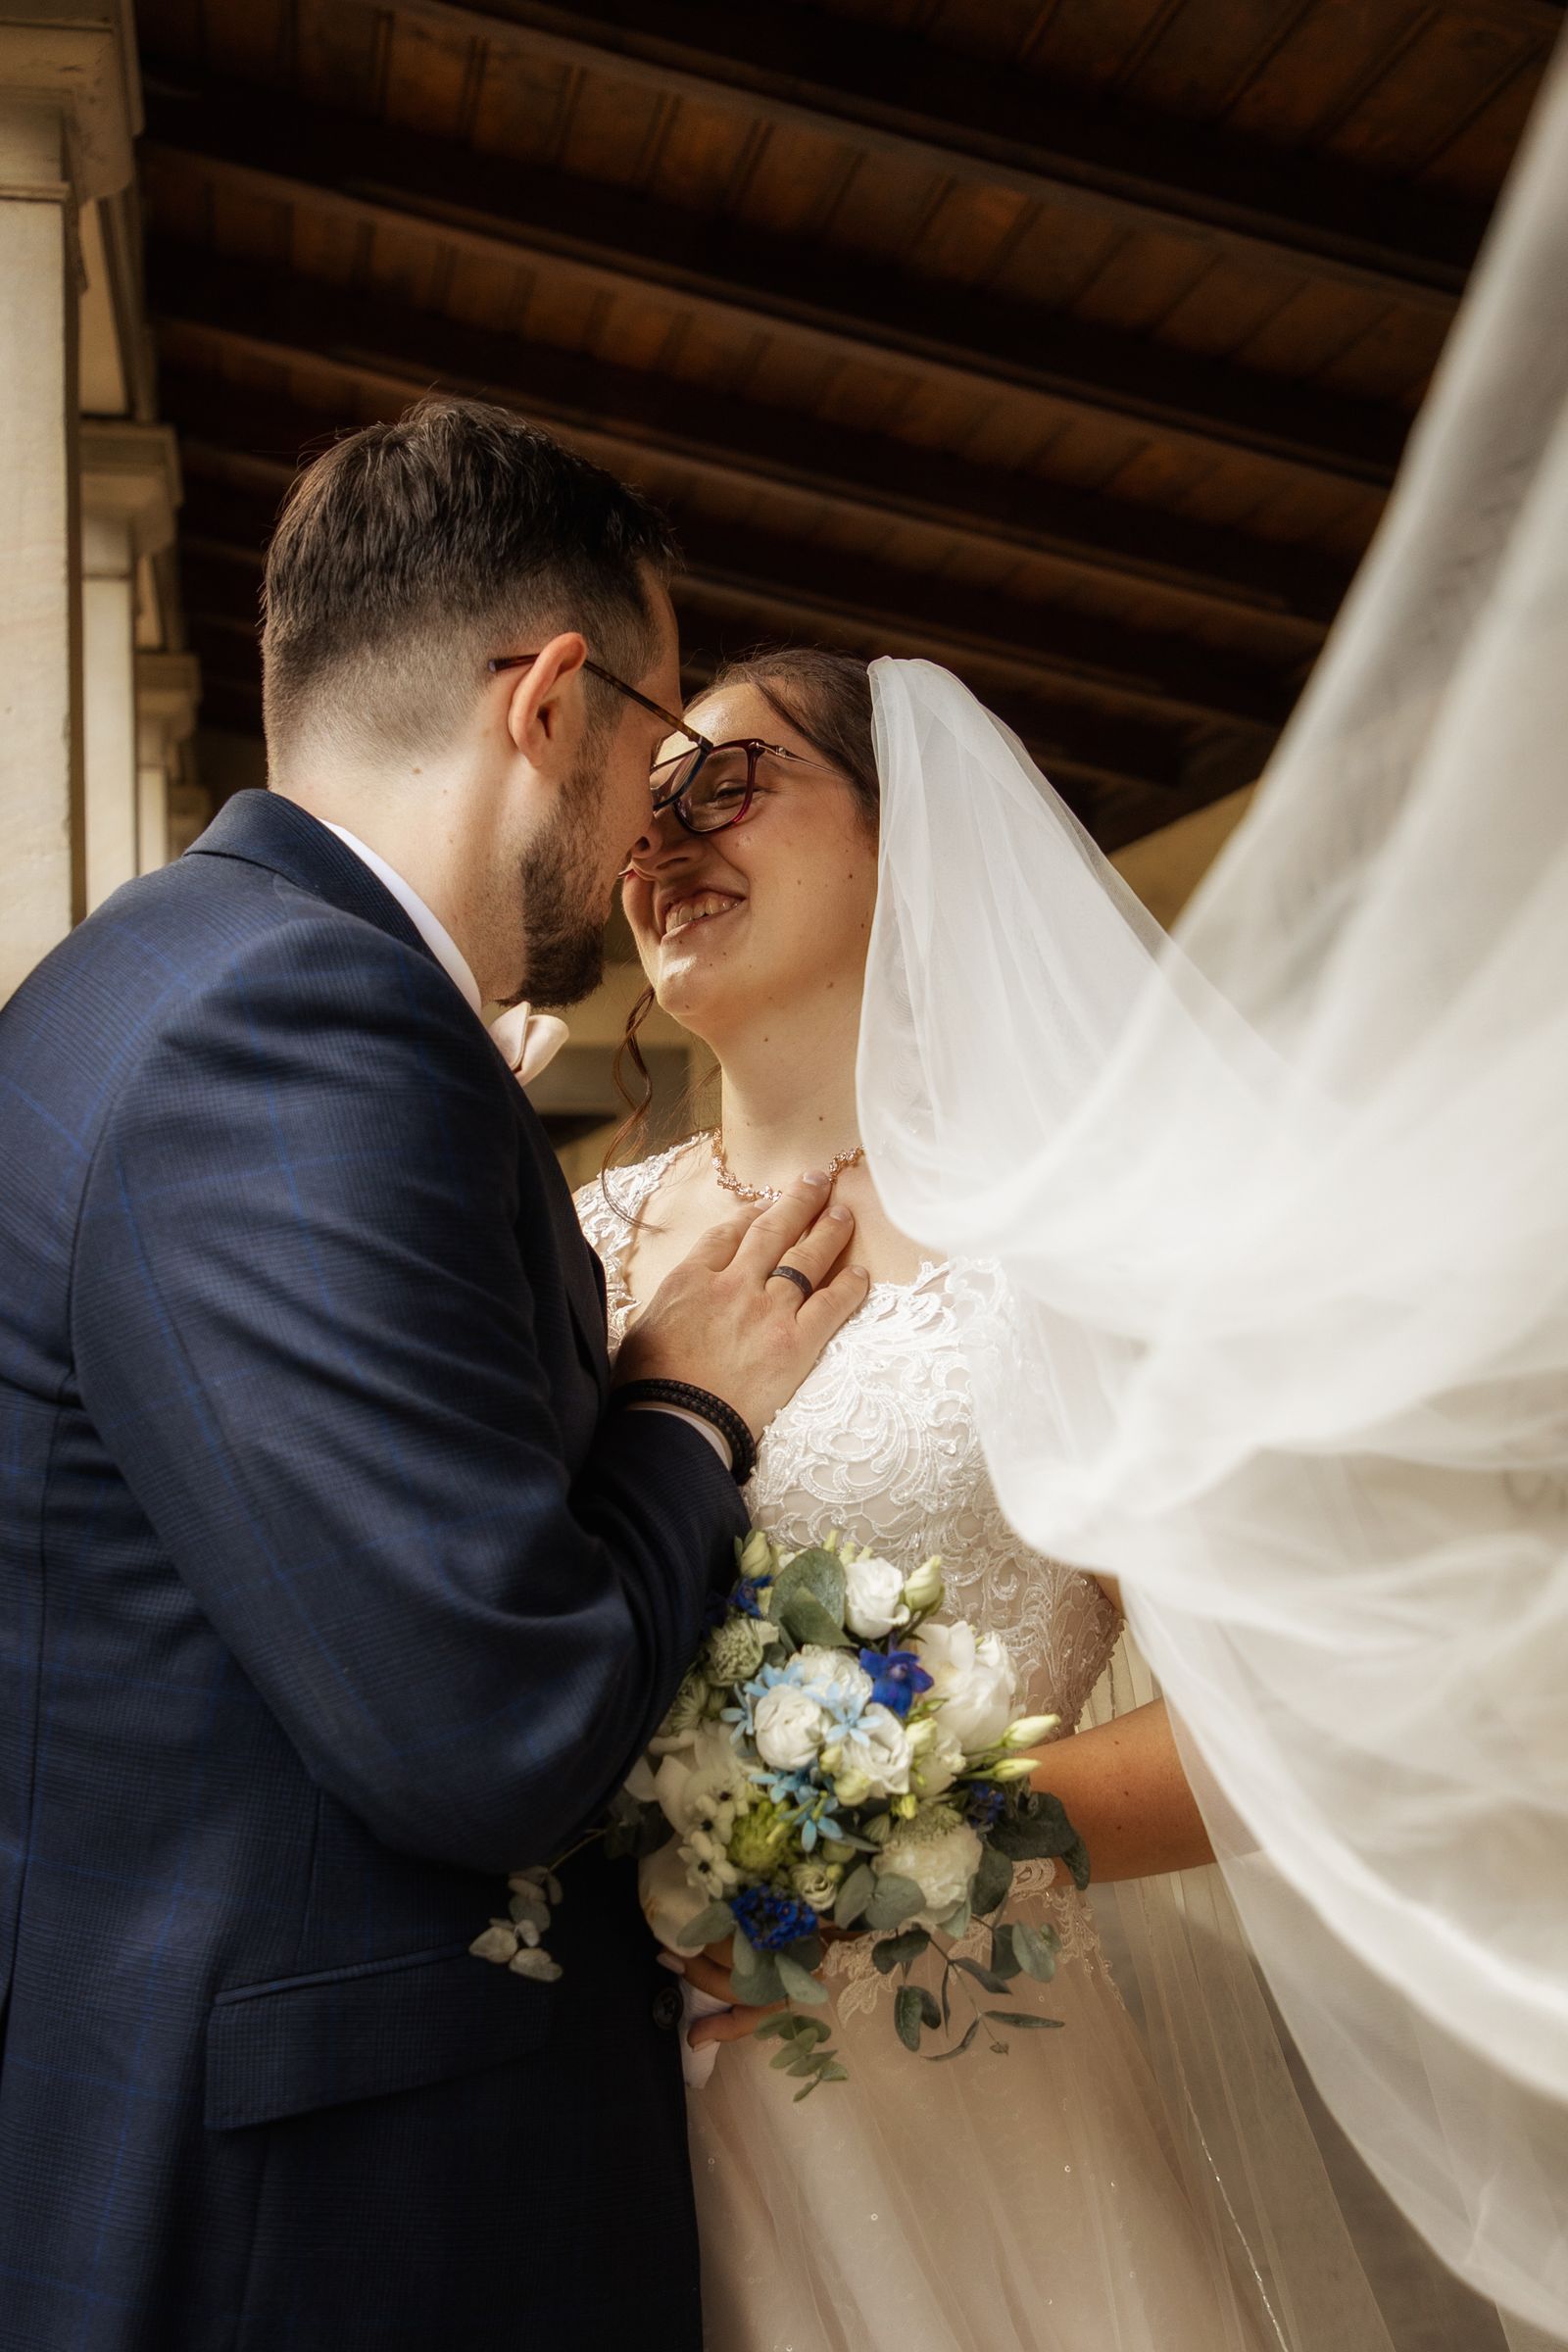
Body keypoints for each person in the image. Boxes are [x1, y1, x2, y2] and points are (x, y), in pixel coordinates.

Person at [0, 399, 869, 2352]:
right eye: (663, 748)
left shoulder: (169, 976)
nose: (663, 813)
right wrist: (683, 1405)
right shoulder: (296, 1026)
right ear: (550, 702)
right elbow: (483, 1724)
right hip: (317, 2234)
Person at [576, 648, 1384, 2352]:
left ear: (907, 834)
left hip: (971, 2119)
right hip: (589, 2122)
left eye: (730, 782)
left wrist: (885, 1864)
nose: (661, 846)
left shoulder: (1068, 1251)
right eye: (641, 812)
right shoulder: (567, 1247)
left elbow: (1275, 1727)